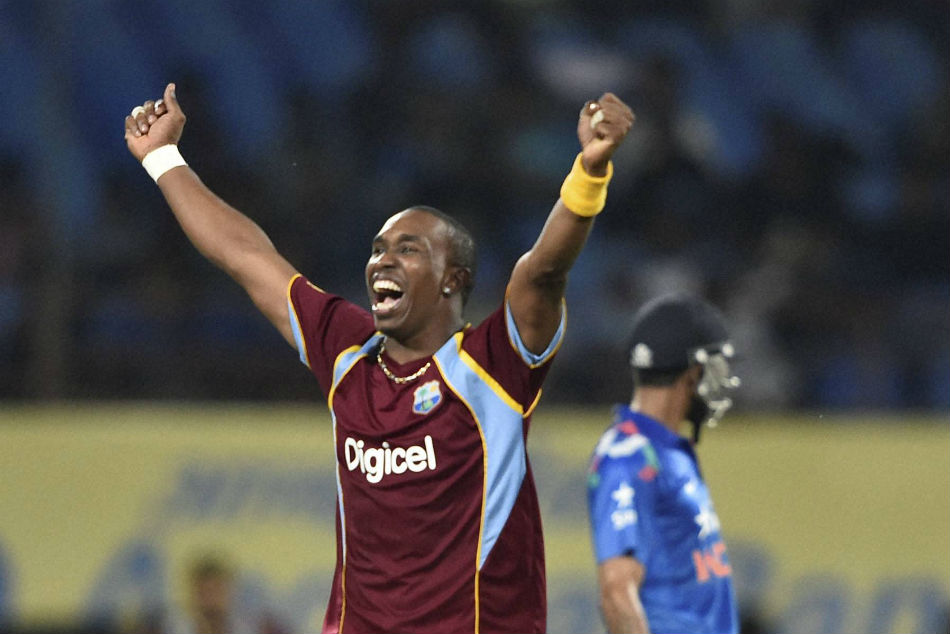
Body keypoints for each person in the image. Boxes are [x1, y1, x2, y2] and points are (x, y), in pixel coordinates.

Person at [124, 83, 633, 634]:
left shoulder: (493, 365)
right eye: (377, 249)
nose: (382, 261)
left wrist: (589, 173)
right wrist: (163, 157)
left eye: (407, 249)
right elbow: (245, 256)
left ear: (453, 280)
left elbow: (543, 272)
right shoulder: (347, 350)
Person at [586, 293, 742, 634]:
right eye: (714, 367)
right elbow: (617, 594)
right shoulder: (628, 457)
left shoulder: (664, 451)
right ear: (693, 373)